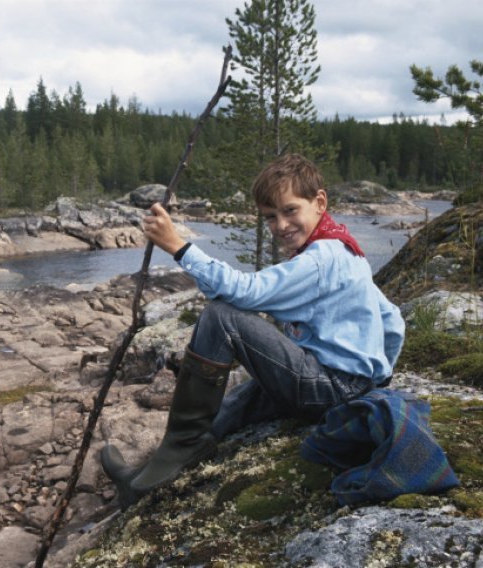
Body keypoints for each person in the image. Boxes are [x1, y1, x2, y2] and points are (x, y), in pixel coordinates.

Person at [101, 153, 406, 509]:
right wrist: (377, 379)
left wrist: (179, 247)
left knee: (222, 317)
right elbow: (392, 320)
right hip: (343, 385)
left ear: (319, 202)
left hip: (330, 389)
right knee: (233, 405)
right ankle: (146, 476)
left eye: (291, 210)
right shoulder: (347, 250)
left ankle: (174, 453)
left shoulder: (321, 259)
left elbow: (245, 293)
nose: (280, 225)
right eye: (270, 217)